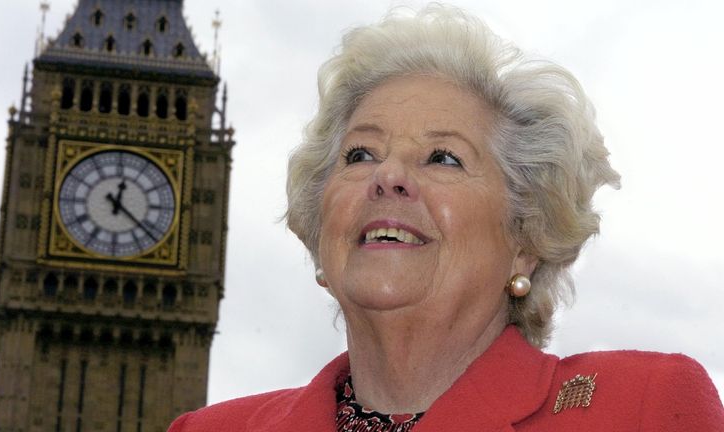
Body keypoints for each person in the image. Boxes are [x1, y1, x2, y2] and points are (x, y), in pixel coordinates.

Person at [169, 5, 724, 431]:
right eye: (360, 154)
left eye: (443, 157)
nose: (387, 176)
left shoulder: (642, 408)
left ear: (525, 239)